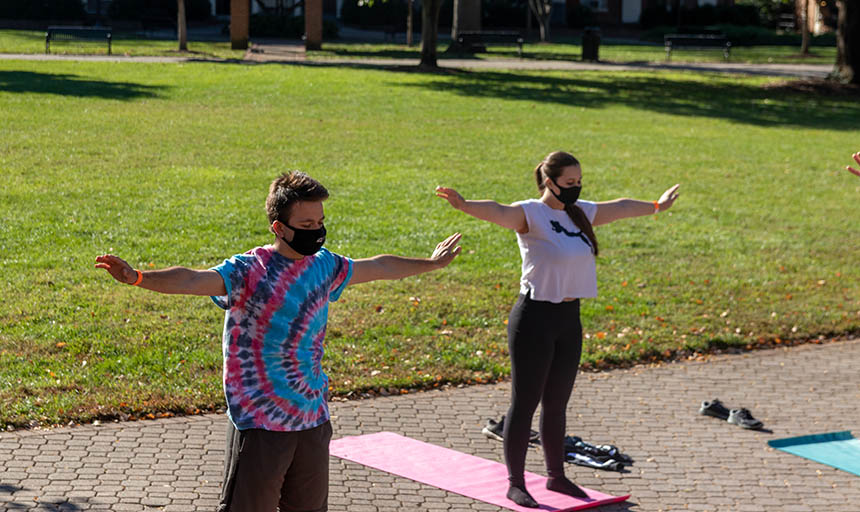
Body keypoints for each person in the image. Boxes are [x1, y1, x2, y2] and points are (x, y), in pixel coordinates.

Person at [95, 171, 462, 512]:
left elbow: (380, 266)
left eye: (319, 223)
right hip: (261, 422)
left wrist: (431, 264)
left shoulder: (325, 266)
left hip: (312, 417)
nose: (316, 232)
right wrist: (137, 277)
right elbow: (192, 280)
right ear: (279, 227)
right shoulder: (248, 270)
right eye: (306, 225)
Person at [435, 151, 679, 508]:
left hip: (569, 319)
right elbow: (498, 210)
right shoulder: (531, 213)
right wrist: (464, 204)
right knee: (525, 403)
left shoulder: (581, 214)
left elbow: (622, 206)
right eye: (569, 183)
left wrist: (657, 206)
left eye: (579, 182)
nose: (576, 188)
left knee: (557, 403)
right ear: (549, 182)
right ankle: (515, 482)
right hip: (534, 319)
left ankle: (557, 477)